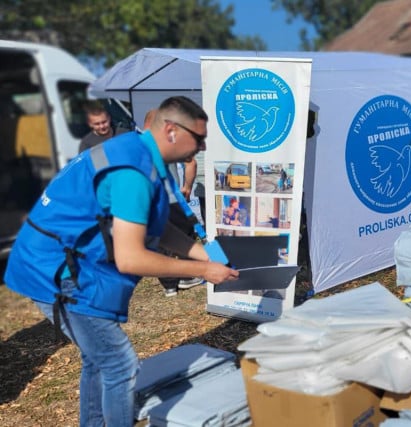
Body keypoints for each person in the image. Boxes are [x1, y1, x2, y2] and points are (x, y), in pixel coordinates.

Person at [3, 96, 238, 427]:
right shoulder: (134, 173)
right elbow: (132, 258)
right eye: (198, 138)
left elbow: (158, 227)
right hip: (52, 271)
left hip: (61, 261)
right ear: (171, 130)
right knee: (119, 364)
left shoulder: (138, 149)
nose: (201, 147)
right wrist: (203, 270)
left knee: (98, 359)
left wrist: (210, 256)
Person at [143, 109, 203, 296]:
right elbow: (191, 163)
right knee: (187, 236)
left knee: (162, 242)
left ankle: (170, 285)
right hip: (172, 200)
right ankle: (189, 276)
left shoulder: (136, 146)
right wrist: (186, 186)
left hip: (155, 202)